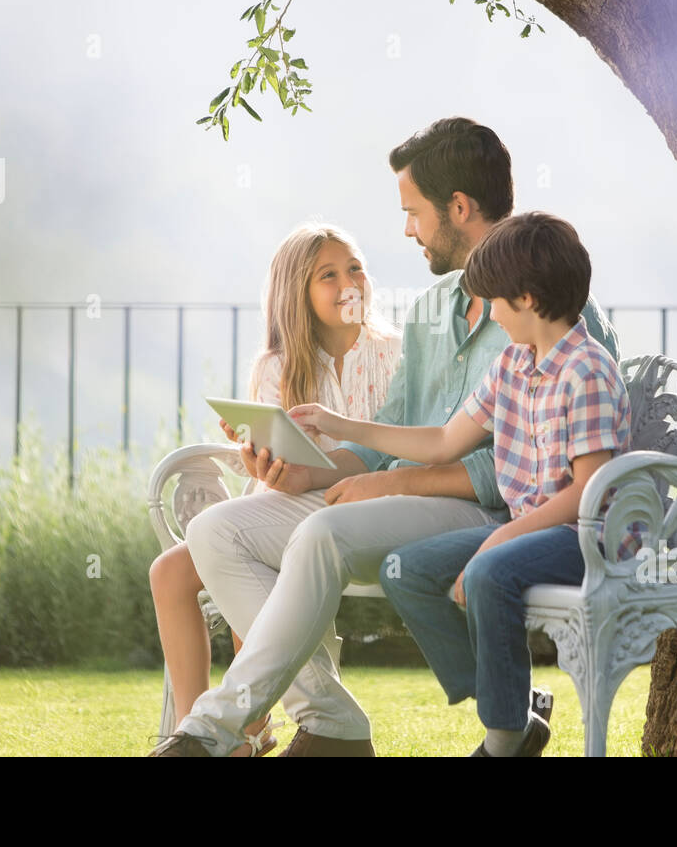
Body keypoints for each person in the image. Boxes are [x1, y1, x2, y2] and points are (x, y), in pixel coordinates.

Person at [153, 118, 618, 757]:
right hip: (404, 500)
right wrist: (313, 472)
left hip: (491, 511)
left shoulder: (553, 316)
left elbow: (508, 465)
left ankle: (213, 729)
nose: (408, 230)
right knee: (216, 531)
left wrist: (387, 481)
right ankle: (332, 723)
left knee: (322, 533)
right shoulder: (433, 312)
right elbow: (398, 438)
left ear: (458, 208)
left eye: (414, 212)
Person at [295, 212, 637, 757]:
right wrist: (340, 426)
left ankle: (502, 740)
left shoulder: (587, 370)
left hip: (588, 533)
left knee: (489, 571)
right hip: (528, 527)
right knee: (403, 572)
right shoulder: (511, 363)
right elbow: (441, 443)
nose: (492, 315)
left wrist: (501, 538)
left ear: (526, 298)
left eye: (496, 302)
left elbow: (588, 491)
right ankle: (515, 711)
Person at [146, 222, 400, 756]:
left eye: (355, 268)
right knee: (168, 570)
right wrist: (258, 460)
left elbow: (387, 451)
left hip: (350, 503)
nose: (348, 282)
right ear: (299, 294)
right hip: (281, 501)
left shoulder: (392, 356)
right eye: (327, 275)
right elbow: (273, 473)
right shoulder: (277, 366)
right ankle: (203, 731)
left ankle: (240, 730)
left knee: (242, 559)